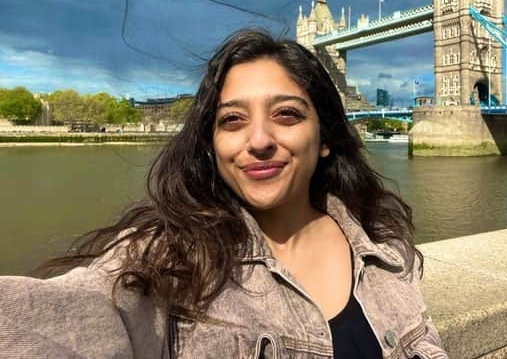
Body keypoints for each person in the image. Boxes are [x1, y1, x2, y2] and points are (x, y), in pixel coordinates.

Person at [0, 29, 448, 358]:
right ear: (212, 146)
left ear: (326, 136)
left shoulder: (386, 248)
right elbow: (74, 316)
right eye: (232, 120)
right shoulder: (169, 259)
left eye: (287, 114)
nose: (258, 141)